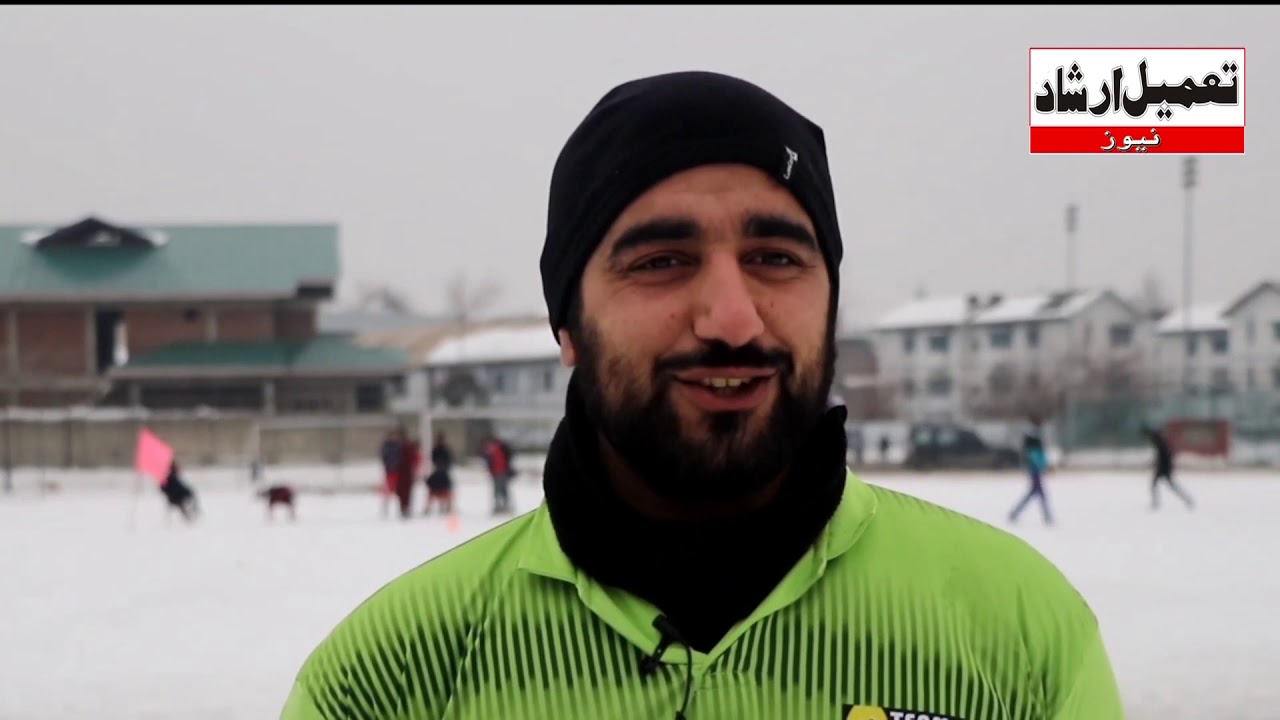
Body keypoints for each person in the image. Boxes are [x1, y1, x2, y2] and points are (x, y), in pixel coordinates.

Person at [281, 70, 1122, 720]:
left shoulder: (1014, 633)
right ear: (566, 323)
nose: (732, 318)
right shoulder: (395, 674)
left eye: (776, 257)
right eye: (661, 261)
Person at [1009, 420, 1053, 525]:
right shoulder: (1033, 438)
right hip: (1034, 469)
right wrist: (1042, 465)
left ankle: (1016, 513)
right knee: (1038, 493)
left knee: (1034, 493)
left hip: (1035, 468)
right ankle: (1046, 515)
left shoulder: (1033, 437)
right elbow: (1034, 454)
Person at [1144, 424, 1194, 511]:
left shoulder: (1158, 441)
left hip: (1164, 468)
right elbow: (1164, 454)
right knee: (1162, 485)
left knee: (1162, 485)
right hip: (1164, 467)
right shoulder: (1159, 440)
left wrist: (1158, 464)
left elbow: (1164, 455)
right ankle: (1186, 499)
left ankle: (1186, 499)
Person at [481, 434, 515, 515]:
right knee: (499, 490)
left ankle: (504, 506)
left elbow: (506, 459)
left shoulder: (498, 448)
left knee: (502, 489)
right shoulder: (491, 449)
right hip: (496, 472)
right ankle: (500, 505)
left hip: (502, 471)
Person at [423, 432, 455, 516]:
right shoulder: (436, 450)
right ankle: (444, 507)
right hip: (437, 485)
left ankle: (448, 507)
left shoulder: (446, 450)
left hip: (443, 482)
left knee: (448, 493)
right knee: (435, 493)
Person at [160, 459, 199, 524]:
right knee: (182, 503)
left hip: (179, 495)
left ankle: (191, 513)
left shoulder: (172, 476)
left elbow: (181, 487)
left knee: (188, 498)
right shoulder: (168, 478)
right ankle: (189, 517)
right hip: (175, 497)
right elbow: (163, 488)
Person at [377, 428, 402, 518]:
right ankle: (385, 509)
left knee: (398, 492)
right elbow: (383, 456)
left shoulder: (398, 445)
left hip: (397, 472)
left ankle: (401, 509)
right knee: (387, 492)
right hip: (389, 472)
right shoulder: (386, 446)